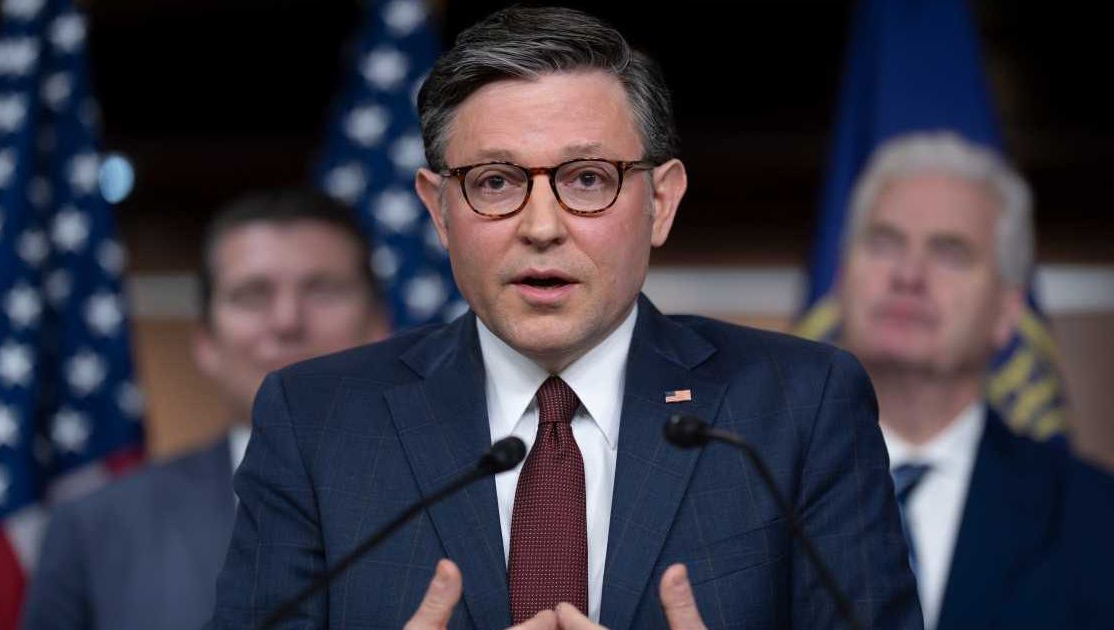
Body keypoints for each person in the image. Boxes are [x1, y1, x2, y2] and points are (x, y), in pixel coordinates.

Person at [213, 7, 921, 629]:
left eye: (587, 180)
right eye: (495, 182)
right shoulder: (316, 422)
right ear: (438, 210)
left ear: (661, 202)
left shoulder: (799, 408)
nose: (542, 226)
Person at [836, 131, 1114, 630]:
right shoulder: (746, 498)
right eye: (884, 242)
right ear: (842, 279)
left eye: (950, 252)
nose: (908, 274)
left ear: (1008, 311)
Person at [22, 189, 388, 630]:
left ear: (380, 327)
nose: (287, 321)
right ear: (205, 342)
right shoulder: (93, 529)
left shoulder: (477, 504)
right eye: (253, 295)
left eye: (322, 290)